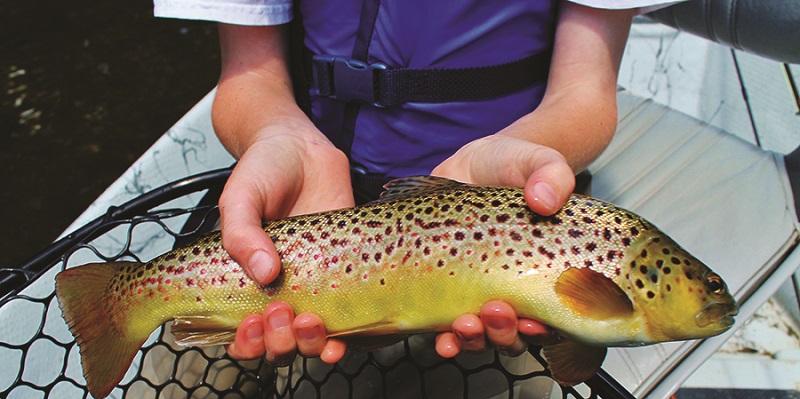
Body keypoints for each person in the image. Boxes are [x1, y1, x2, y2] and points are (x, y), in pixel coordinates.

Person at [155, 0, 680, 366]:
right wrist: (276, 134)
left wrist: (515, 161)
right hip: (298, 201)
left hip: (500, 210)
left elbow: (585, 96)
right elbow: (248, 77)